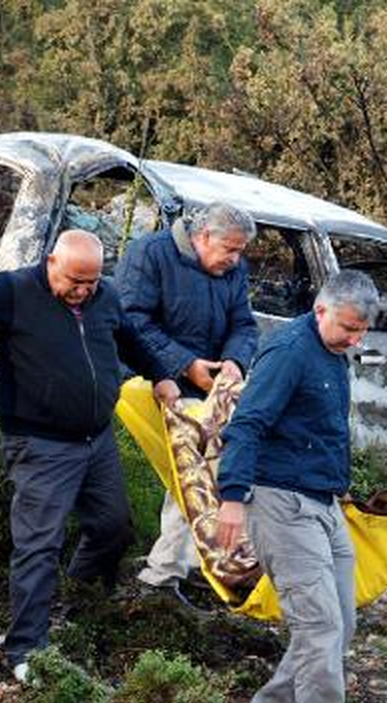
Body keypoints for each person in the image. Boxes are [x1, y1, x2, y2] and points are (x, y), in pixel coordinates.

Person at [0, 230, 179, 682]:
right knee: (39, 544)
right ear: (51, 262)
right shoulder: (14, 291)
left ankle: (75, 605)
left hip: (97, 439)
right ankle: (25, 649)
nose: (83, 291)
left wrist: (161, 374)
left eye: (92, 281)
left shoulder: (103, 297)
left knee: (114, 527)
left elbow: (130, 339)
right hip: (40, 442)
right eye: (75, 281)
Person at [214, 270, 379, 703]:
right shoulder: (288, 351)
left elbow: (318, 426)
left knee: (340, 622)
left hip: (323, 502)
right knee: (319, 624)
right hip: (280, 502)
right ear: (321, 309)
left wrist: (339, 482)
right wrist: (232, 497)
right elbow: (249, 422)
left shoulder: (332, 353)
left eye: (362, 331)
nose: (355, 340)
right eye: (349, 328)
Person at [115, 201, 260, 604]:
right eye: (230, 249)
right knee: (188, 474)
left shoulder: (233, 268)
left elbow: (243, 324)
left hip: (207, 387)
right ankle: (163, 574)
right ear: (202, 237)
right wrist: (184, 364)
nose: (235, 260)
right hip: (153, 382)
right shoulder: (150, 254)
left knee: (206, 474)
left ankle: (187, 564)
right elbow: (130, 322)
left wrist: (233, 360)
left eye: (240, 251)